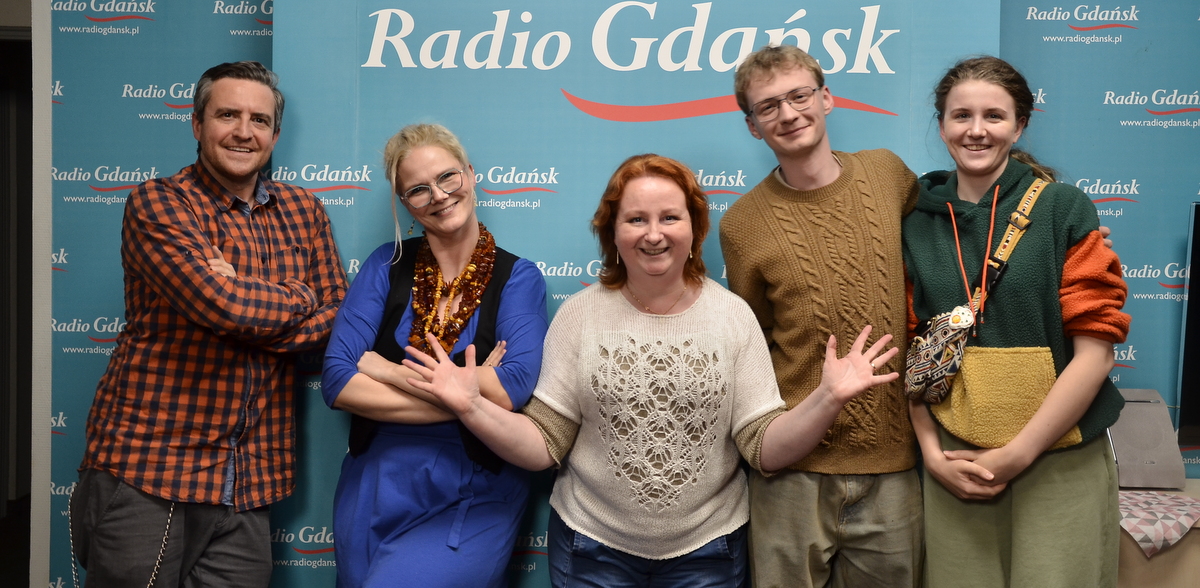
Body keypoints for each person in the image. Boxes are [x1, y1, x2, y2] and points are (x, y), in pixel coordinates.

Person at [402, 153, 899, 588]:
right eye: (636, 219)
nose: (654, 234)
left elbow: (763, 448)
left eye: (670, 217)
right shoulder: (579, 315)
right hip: (591, 549)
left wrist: (827, 399)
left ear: (695, 228)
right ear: (613, 233)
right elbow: (543, 445)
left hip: (709, 552)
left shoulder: (733, 317)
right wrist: (471, 406)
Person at [71, 61, 348, 587]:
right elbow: (224, 307)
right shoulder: (159, 202)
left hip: (249, 480)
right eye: (227, 115)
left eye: (259, 120)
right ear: (197, 124)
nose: (244, 131)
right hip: (149, 469)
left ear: (275, 135)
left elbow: (338, 316)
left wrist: (242, 300)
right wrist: (299, 296)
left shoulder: (303, 210)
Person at [904, 56, 1129, 588]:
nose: (976, 130)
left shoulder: (1063, 208)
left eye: (994, 116)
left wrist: (1018, 453)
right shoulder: (913, 220)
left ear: (1020, 124)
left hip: (1060, 459)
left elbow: (1096, 352)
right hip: (955, 460)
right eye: (961, 115)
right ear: (942, 124)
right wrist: (932, 457)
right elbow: (913, 349)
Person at [719, 45, 922, 587]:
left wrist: (1055, 232)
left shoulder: (886, 173)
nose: (788, 114)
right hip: (793, 468)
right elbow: (755, 341)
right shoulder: (742, 224)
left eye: (799, 96)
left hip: (893, 463)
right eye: (768, 107)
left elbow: (952, 231)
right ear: (753, 126)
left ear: (826, 98)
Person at [320, 123, 549, 588]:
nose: (439, 196)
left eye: (448, 177)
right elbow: (338, 381)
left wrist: (387, 370)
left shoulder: (518, 277)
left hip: (473, 485)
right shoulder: (385, 265)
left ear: (470, 174)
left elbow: (511, 387)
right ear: (406, 203)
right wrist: (466, 396)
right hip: (373, 483)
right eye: (419, 189)